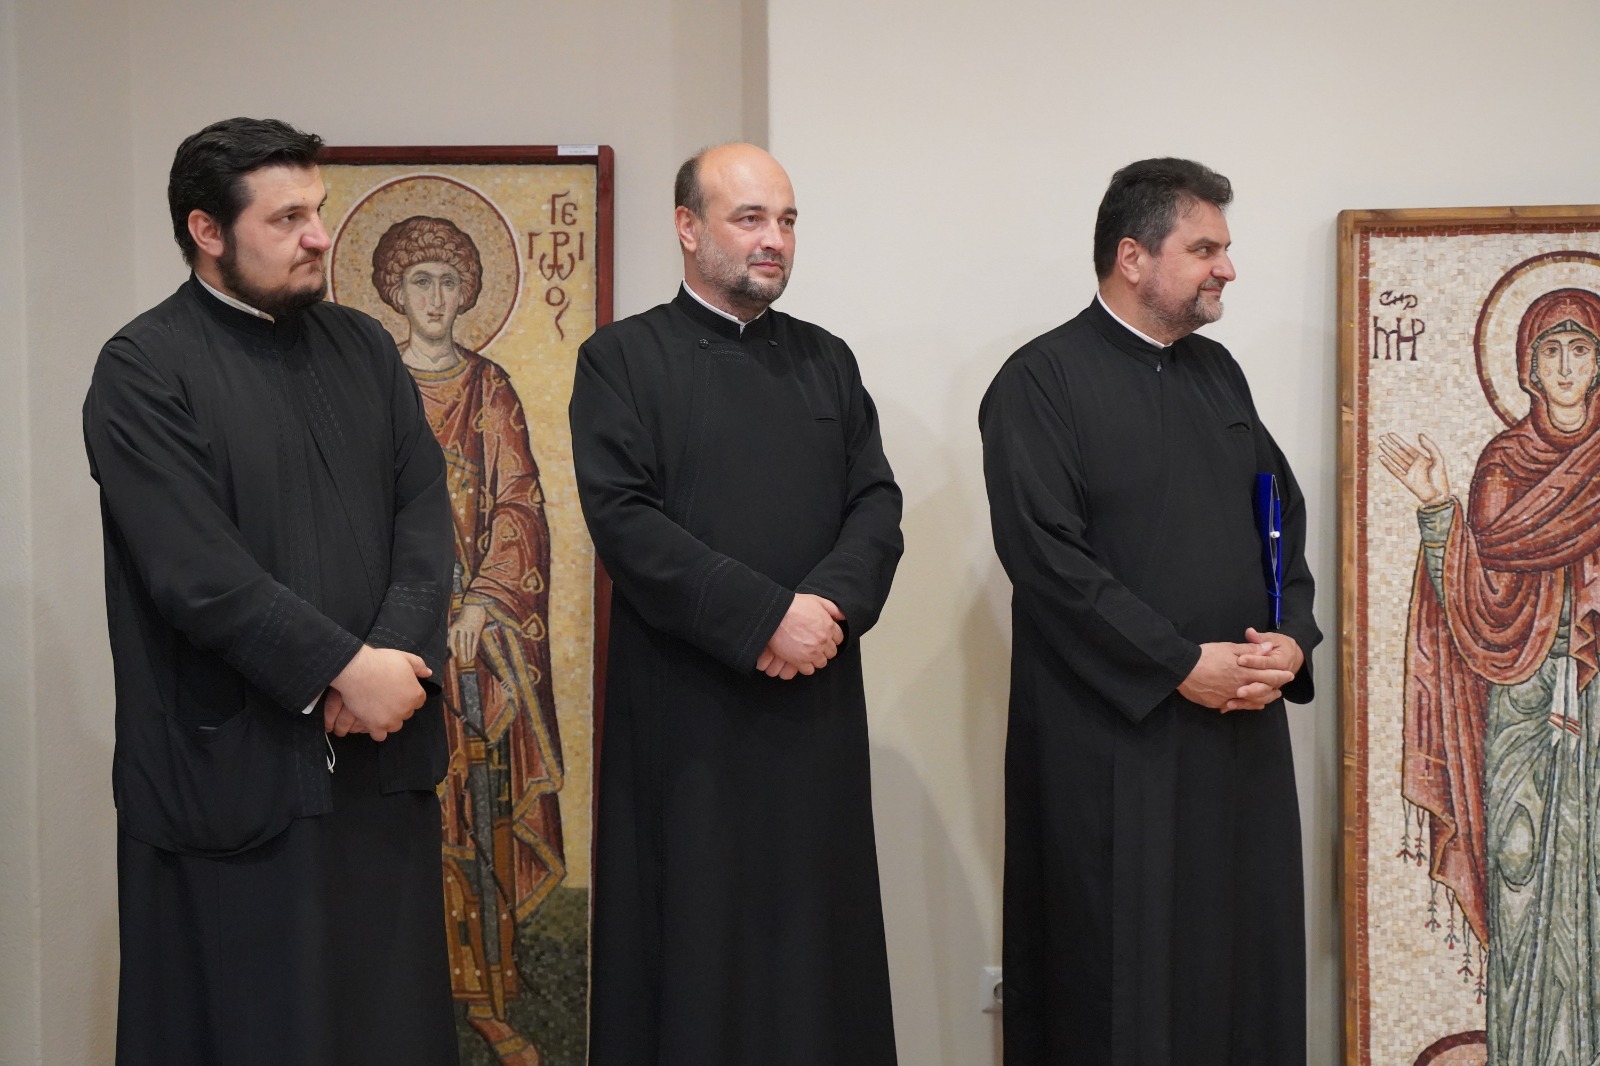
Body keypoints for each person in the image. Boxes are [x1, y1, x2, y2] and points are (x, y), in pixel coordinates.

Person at [83, 117, 458, 1066]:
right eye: (287, 218)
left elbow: (425, 517)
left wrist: (391, 663)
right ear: (208, 231)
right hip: (231, 779)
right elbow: (196, 573)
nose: (319, 236)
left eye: (317, 211)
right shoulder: (142, 369)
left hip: (379, 765)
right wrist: (341, 669)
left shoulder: (364, 348)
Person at [979, 157, 1320, 1066]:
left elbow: (1280, 518)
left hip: (1238, 737)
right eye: (1204, 249)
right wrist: (1179, 664)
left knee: (1241, 971)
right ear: (1133, 256)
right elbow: (1048, 562)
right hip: (1112, 744)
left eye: (1225, 249)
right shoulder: (1039, 383)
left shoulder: (1219, 375)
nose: (1227, 268)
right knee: (1116, 982)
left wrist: (1292, 641)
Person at [569, 142, 903, 1066]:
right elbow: (626, 522)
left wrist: (824, 609)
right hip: (689, 717)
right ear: (687, 227)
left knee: (815, 949)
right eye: (750, 218)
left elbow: (876, 504)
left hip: (815, 705)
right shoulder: (621, 359)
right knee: (694, 950)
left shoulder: (826, 360)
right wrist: (764, 620)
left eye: (786, 221)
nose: (774, 240)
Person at [1379, 288, 1600, 1066]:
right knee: (1518, 866)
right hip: (1519, 700)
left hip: (1596, 701)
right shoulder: (1503, 464)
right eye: (1551, 351)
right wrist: (1438, 508)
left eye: (1581, 350)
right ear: (1527, 367)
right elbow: (1472, 605)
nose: (1566, 367)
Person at [371, 215, 565, 1066]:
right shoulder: (374, 384)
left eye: (450, 281)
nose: (436, 297)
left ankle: (488, 1003)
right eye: (421, 280)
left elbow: (520, 502)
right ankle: (402, 1000)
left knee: (479, 813)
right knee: (409, 813)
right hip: (393, 641)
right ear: (394, 290)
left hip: (478, 645)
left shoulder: (490, 389)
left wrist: (485, 601)